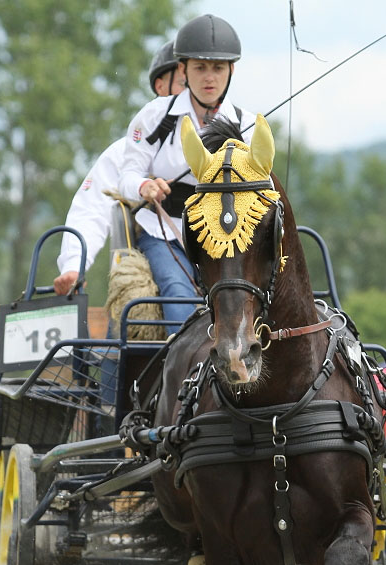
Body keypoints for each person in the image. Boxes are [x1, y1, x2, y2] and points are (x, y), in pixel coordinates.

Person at [118, 14, 256, 334]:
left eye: (218, 68)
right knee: (180, 297)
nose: (210, 78)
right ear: (183, 69)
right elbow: (126, 176)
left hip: (226, 239)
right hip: (165, 233)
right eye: (200, 67)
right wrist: (144, 186)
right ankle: (184, 380)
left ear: (231, 70)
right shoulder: (154, 116)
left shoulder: (247, 126)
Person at [53, 42, 185, 295]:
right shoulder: (125, 152)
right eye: (183, 84)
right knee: (153, 300)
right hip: (150, 257)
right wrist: (73, 264)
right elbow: (91, 208)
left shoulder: (220, 147)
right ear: (161, 86)